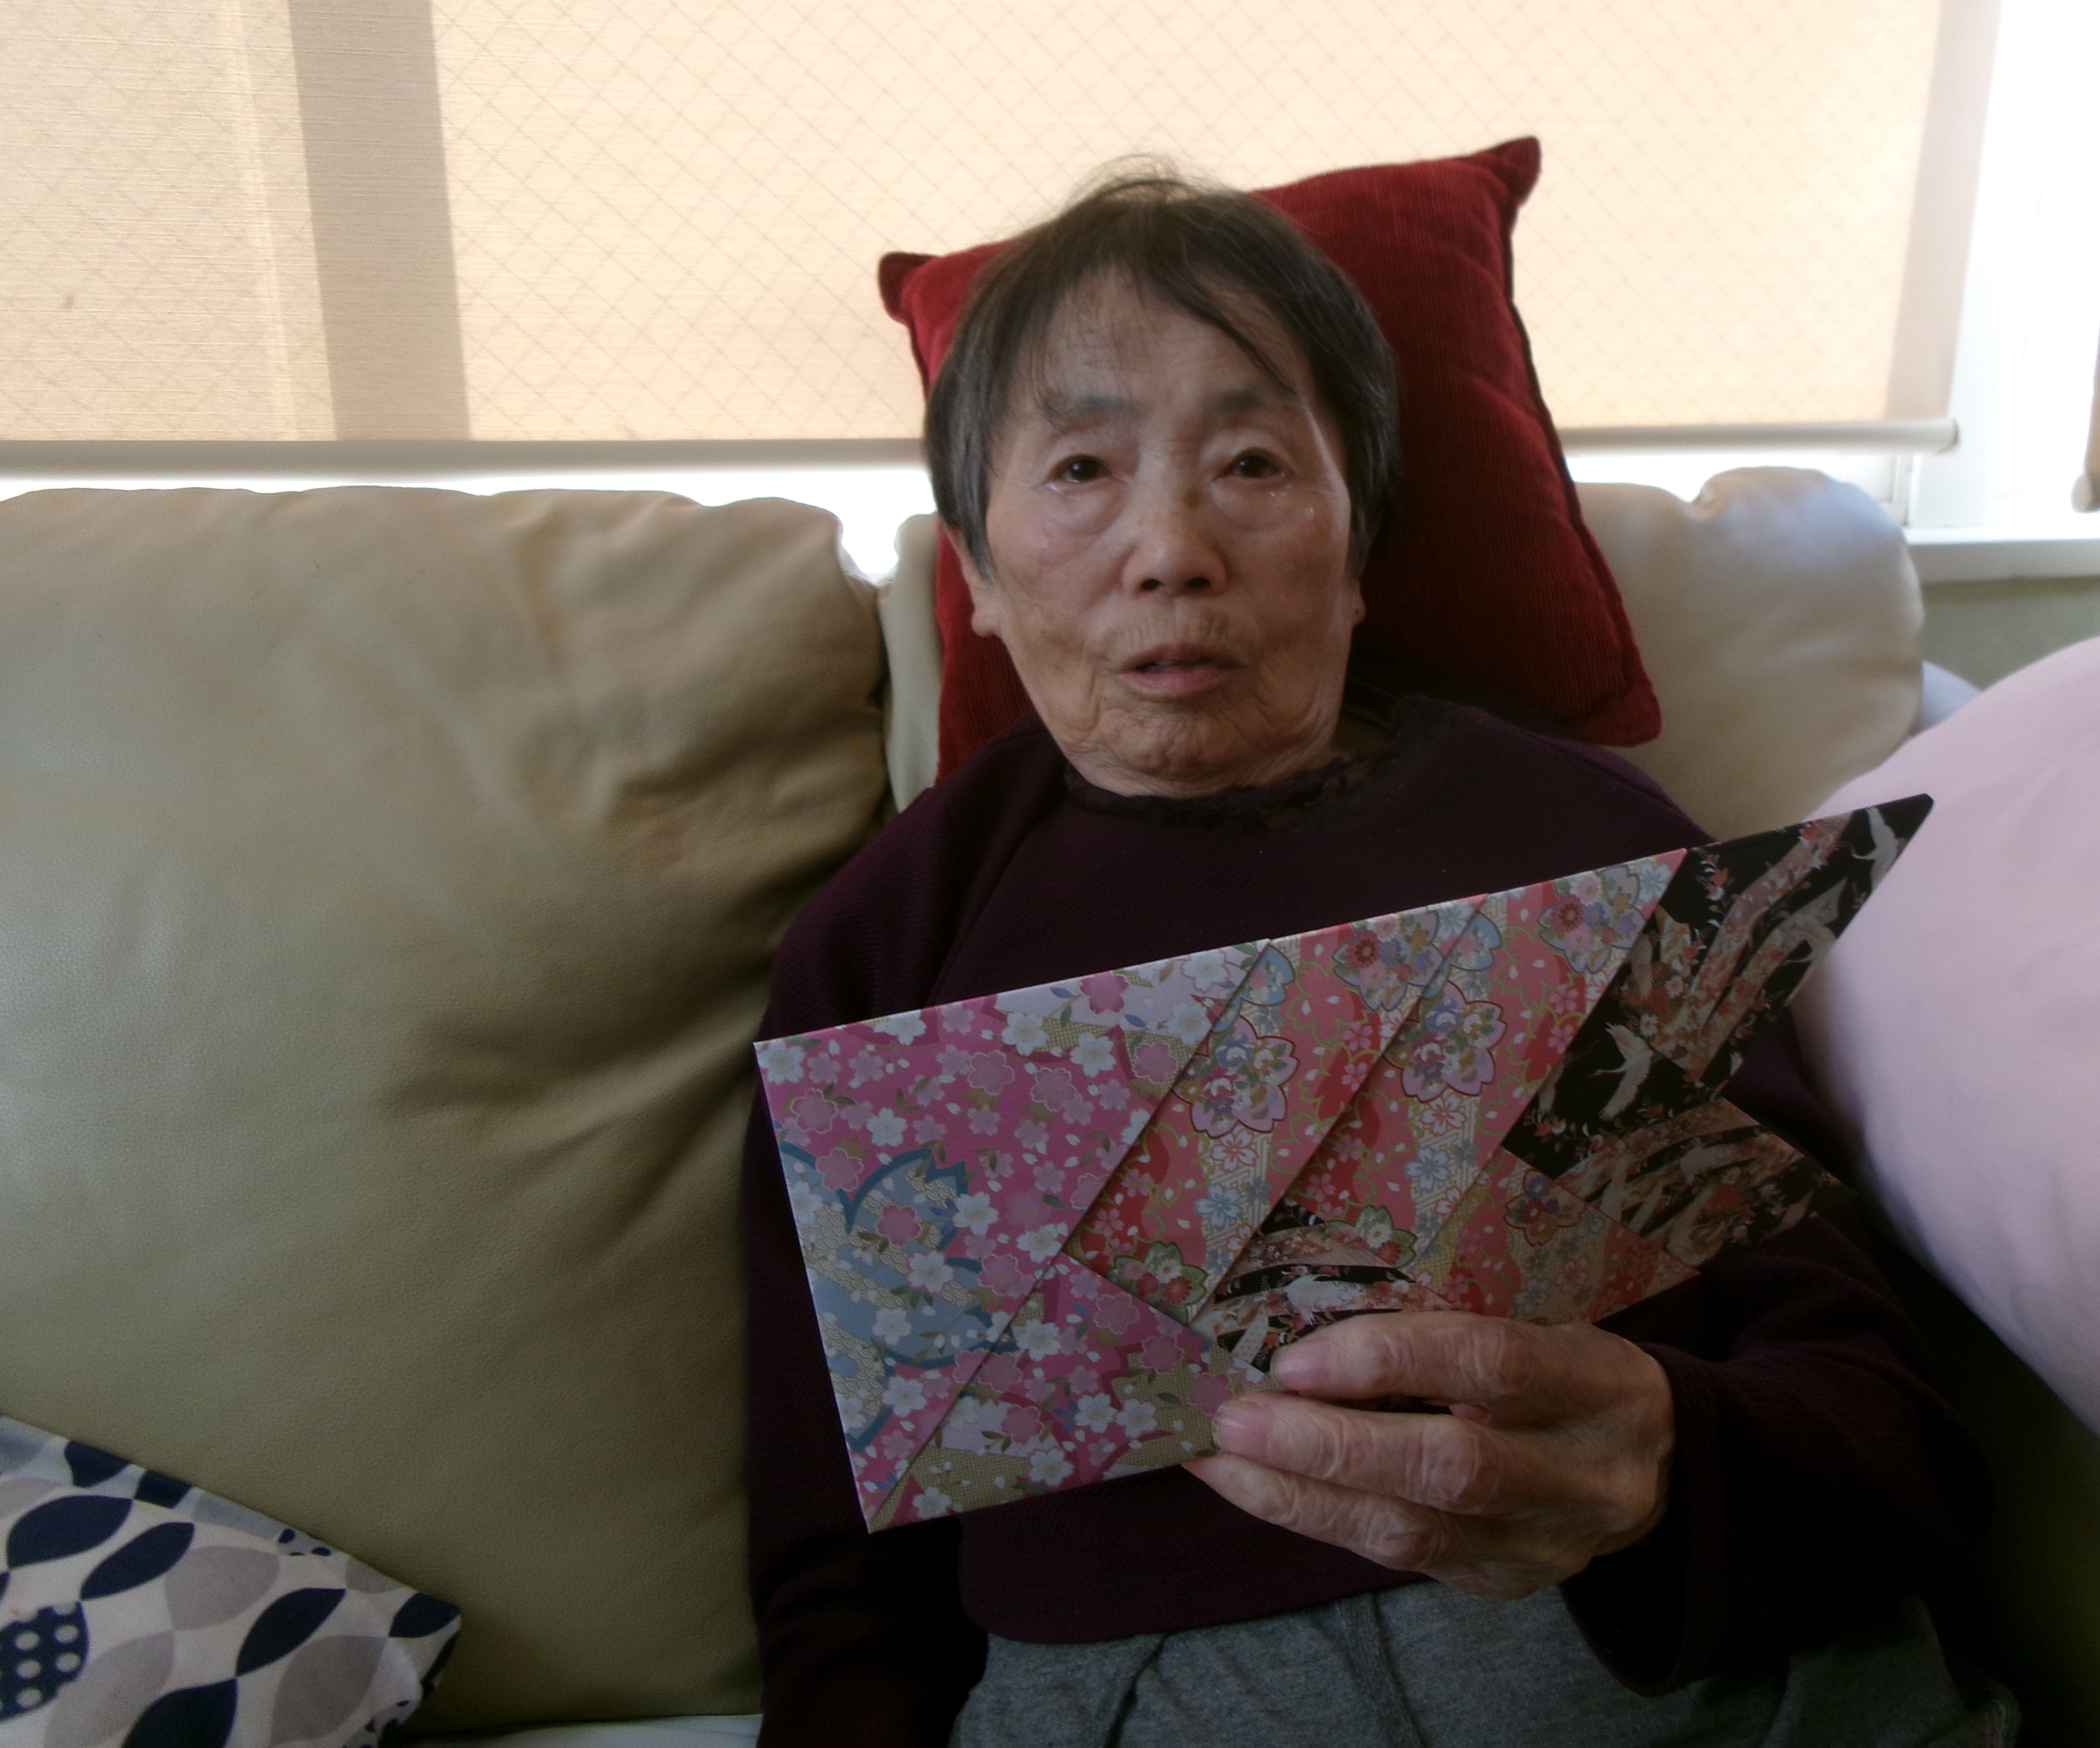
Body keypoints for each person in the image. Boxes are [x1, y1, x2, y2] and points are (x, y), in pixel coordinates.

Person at [741, 172, 2010, 1748]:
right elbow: (836, 1557)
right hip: (1143, 1691)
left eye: (1252, 463)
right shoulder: (890, 943)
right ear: (981, 578)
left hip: (1649, 1654)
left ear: (1358, 552)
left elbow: (1878, 1414)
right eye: (1080, 469)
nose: (1170, 550)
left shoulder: (1589, 841)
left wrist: (1672, 1460)